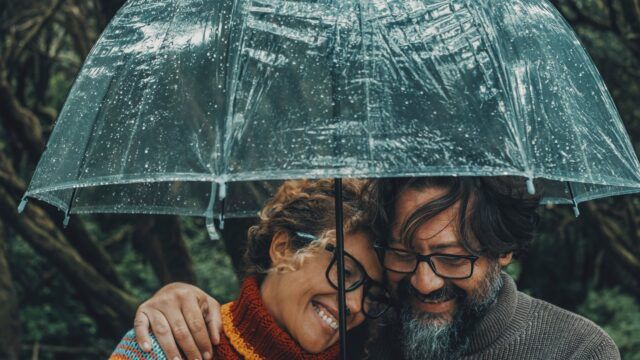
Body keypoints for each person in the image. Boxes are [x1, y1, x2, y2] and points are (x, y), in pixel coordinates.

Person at [131, 177, 620, 360]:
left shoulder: (575, 349)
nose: (424, 282)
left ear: (503, 250)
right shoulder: (369, 334)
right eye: (404, 254)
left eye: (452, 258)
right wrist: (173, 297)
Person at [109, 179, 391, 360]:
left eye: (371, 295)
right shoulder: (169, 344)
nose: (356, 305)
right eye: (344, 273)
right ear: (283, 248)